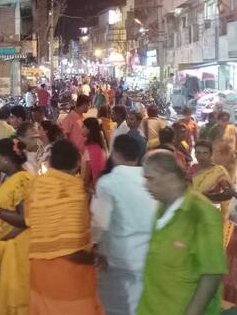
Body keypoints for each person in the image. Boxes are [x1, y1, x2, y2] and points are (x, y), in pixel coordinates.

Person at [138, 150, 226, 315]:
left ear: (171, 179)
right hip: (150, 307)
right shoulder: (162, 207)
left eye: (150, 179)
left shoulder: (201, 213)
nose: (145, 185)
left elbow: (212, 274)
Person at [25, 139, 103, 315]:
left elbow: (29, 220)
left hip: (40, 270)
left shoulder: (38, 185)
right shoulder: (73, 190)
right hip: (68, 278)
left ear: (51, 162)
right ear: (77, 164)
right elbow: (72, 250)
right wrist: (96, 258)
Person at [91, 135, 157, 315]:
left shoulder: (108, 182)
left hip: (121, 256)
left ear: (115, 154)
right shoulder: (150, 179)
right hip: (151, 253)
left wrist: (93, 247)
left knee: (122, 306)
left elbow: (99, 224)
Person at [0, 138, 34, 315]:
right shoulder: (12, 178)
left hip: (19, 247)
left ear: (6, 159)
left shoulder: (22, 180)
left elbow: (26, 219)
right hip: (11, 247)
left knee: (17, 299)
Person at [82, 117, 108, 192]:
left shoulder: (91, 148)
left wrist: (85, 185)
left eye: (83, 127)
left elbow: (88, 171)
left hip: (92, 186)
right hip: (99, 184)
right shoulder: (99, 145)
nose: (81, 129)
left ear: (89, 129)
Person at [211, 111, 237, 180]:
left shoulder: (232, 128)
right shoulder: (213, 130)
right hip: (218, 160)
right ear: (218, 120)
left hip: (231, 159)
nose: (225, 122)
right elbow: (208, 144)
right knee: (219, 178)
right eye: (223, 120)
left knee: (230, 178)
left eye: (227, 120)